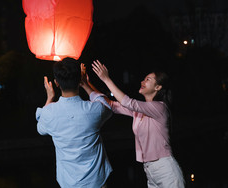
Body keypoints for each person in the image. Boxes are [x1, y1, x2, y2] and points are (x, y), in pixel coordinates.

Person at [91, 60, 185, 188]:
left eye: (148, 79)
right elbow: (113, 105)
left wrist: (106, 79)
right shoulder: (140, 111)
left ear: (158, 87)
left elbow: (128, 102)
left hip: (165, 169)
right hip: (149, 169)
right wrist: (86, 85)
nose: (142, 82)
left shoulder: (160, 108)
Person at [35, 57, 113, 188]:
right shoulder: (94, 110)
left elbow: (40, 127)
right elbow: (107, 105)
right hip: (97, 181)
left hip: (68, 183)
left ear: (56, 83)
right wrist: (86, 85)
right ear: (79, 80)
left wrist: (49, 98)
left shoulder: (49, 113)